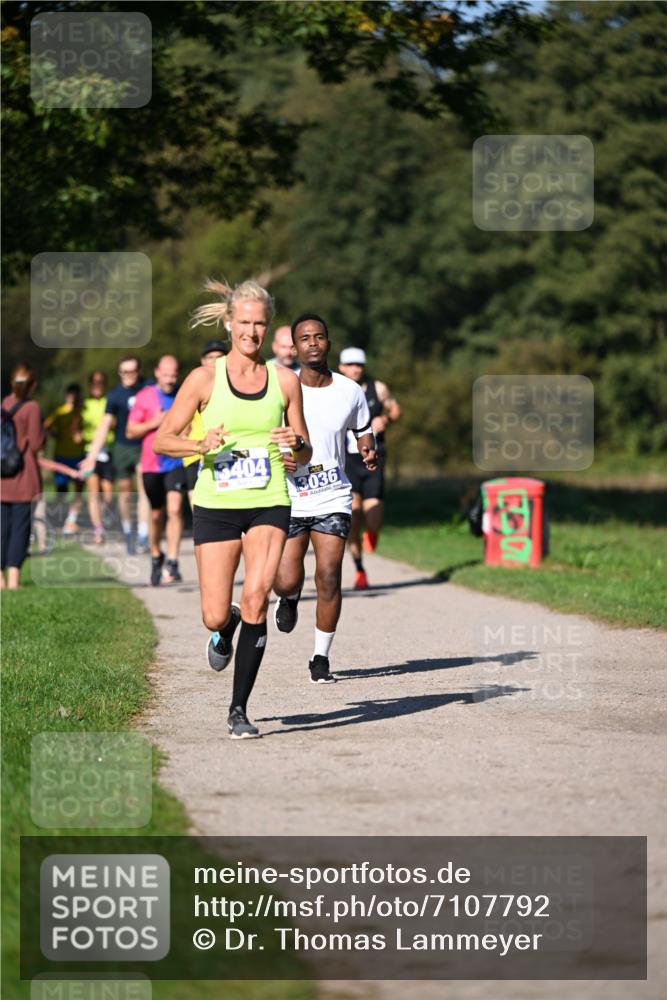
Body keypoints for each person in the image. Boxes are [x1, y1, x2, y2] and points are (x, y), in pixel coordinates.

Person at [154, 279, 312, 739]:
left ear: (268, 326)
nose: (252, 331)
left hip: (269, 500)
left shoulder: (284, 380)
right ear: (229, 323)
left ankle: (239, 710)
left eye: (260, 323)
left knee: (259, 597)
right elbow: (162, 439)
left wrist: (295, 443)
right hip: (216, 502)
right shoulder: (205, 378)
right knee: (213, 613)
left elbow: (305, 450)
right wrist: (198, 444)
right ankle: (227, 627)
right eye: (244, 322)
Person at [273, 314, 376, 683]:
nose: (313, 343)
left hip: (332, 494)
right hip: (289, 494)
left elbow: (363, 430)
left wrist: (368, 450)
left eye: (319, 336)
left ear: (328, 343)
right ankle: (288, 598)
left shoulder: (350, 391)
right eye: (305, 338)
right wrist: (276, 454)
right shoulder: (279, 387)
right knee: (284, 580)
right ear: (294, 347)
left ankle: (320, 657)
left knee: (330, 575)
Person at [339, 347, 401, 589]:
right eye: (350, 365)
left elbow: (395, 409)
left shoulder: (378, 388)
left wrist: (385, 419)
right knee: (353, 515)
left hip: (373, 460)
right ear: (342, 366)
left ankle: (372, 533)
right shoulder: (334, 390)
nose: (355, 369)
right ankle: (360, 570)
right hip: (348, 461)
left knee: (373, 518)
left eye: (359, 365)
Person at [80, 355, 149, 553]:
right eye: (124, 372)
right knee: (125, 490)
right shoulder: (115, 395)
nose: (129, 375)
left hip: (144, 445)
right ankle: (128, 531)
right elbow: (104, 426)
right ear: (120, 373)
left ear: (139, 371)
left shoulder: (148, 388)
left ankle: (143, 534)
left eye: (132, 371)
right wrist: (92, 456)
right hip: (122, 447)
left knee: (144, 489)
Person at [127, 355, 185, 586]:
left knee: (175, 509)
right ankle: (155, 554)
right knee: (156, 514)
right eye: (166, 374)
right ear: (157, 372)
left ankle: (172, 559)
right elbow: (131, 431)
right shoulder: (145, 397)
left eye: (174, 375)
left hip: (177, 462)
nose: (170, 379)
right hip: (152, 464)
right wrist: (155, 422)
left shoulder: (184, 394)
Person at [1, 364, 45, 589]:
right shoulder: (32, 407)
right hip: (23, 476)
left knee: (2, 528)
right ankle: (14, 581)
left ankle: (0, 580)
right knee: (20, 529)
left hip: (2, 478)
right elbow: (36, 444)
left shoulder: (3, 404)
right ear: (32, 385)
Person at [183, 339, 227, 504]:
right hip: (195, 453)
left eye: (219, 356)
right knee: (198, 506)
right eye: (210, 357)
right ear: (202, 360)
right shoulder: (194, 383)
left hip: (224, 452)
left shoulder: (235, 384)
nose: (215, 361)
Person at [44, 383, 85, 535]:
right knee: (62, 491)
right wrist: (56, 435)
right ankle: (56, 519)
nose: (74, 398)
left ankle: (71, 520)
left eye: (76, 395)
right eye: (71, 395)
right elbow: (45, 426)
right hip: (61, 456)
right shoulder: (60, 412)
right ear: (67, 395)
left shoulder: (83, 412)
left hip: (79, 457)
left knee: (79, 491)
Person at [81, 371, 114, 544]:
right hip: (89, 452)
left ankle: (103, 515)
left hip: (107, 452)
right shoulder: (84, 405)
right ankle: (98, 530)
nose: (97, 385)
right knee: (93, 492)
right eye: (94, 383)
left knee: (108, 493)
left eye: (100, 382)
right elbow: (76, 424)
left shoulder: (109, 401)